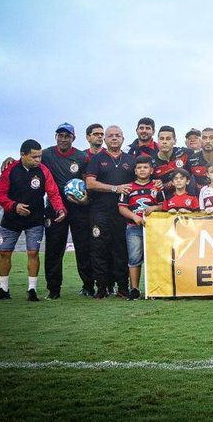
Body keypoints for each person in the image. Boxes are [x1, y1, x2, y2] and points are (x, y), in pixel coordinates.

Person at [0, 139, 66, 301]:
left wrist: (60, 208)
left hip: (35, 219)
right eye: (34, 157)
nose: (38, 160)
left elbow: (53, 193)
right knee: (4, 253)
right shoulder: (9, 169)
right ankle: (3, 289)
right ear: (22, 155)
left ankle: (32, 290)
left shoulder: (43, 171)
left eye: (40, 156)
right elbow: (0, 195)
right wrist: (14, 206)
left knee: (33, 252)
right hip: (11, 219)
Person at [40, 123, 93, 299]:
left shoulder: (81, 157)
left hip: (77, 207)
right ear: (55, 136)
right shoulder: (46, 154)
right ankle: (54, 289)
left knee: (83, 247)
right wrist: (10, 159)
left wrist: (86, 198)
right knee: (54, 249)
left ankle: (88, 286)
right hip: (55, 207)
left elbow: (88, 181)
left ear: (73, 138)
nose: (63, 139)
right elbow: (28, 159)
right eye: (60, 135)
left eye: (67, 136)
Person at [85, 125, 135, 299]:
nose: (114, 138)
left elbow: (140, 181)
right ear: (105, 139)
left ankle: (122, 287)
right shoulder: (97, 159)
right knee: (99, 249)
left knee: (121, 250)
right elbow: (90, 183)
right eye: (110, 136)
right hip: (100, 212)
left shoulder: (131, 160)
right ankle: (102, 288)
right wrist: (115, 188)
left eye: (118, 135)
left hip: (122, 212)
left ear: (123, 139)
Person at [117, 155, 165, 300]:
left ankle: (154, 288)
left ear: (151, 170)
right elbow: (122, 208)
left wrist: (155, 207)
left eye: (145, 167)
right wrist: (134, 216)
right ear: (135, 170)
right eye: (139, 168)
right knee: (134, 258)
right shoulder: (128, 187)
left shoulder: (156, 187)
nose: (142, 170)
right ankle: (135, 289)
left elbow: (164, 206)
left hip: (153, 228)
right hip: (133, 228)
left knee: (153, 258)